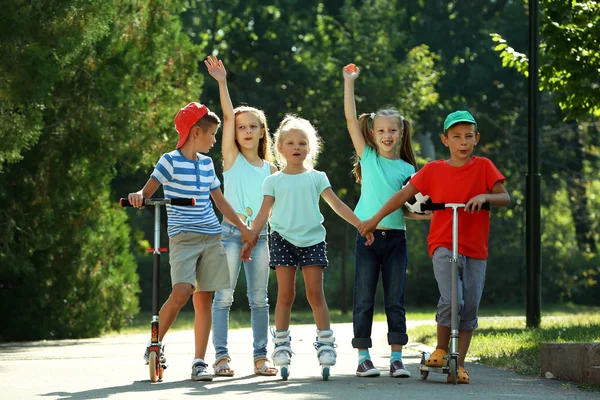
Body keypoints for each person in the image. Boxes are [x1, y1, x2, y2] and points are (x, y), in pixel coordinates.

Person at [358, 110, 510, 384]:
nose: (463, 142)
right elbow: (402, 196)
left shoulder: (484, 166)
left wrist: (484, 195)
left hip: (476, 247)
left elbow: (504, 197)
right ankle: (441, 349)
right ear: (445, 139)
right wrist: (374, 219)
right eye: (456, 137)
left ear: (476, 139)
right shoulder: (433, 170)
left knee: (470, 307)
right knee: (454, 299)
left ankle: (459, 363)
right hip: (443, 243)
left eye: (468, 137)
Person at [128, 102, 258, 381]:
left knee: (204, 298)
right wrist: (138, 196)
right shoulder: (169, 161)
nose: (214, 141)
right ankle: (155, 343)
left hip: (212, 235)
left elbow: (219, 200)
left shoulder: (208, 163)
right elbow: (147, 190)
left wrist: (243, 228)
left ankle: (199, 361)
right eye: (211, 135)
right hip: (184, 237)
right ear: (196, 131)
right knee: (181, 292)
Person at [240, 114, 375, 380]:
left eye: (302, 143)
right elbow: (263, 213)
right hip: (282, 240)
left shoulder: (317, 177)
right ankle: (281, 345)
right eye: (290, 143)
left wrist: (361, 224)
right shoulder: (273, 180)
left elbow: (337, 205)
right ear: (280, 148)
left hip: (312, 240)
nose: (297, 147)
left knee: (315, 294)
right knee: (285, 296)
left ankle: (325, 343)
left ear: (309, 148)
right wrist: (251, 238)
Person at [343, 63, 430, 378]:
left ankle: (396, 359)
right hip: (367, 239)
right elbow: (351, 119)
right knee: (364, 299)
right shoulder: (368, 157)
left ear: (402, 132)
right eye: (380, 130)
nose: (387, 135)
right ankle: (363, 357)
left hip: (396, 241)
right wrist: (349, 81)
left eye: (392, 130)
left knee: (395, 299)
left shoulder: (409, 170)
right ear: (372, 133)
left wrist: (426, 215)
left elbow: (408, 209)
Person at [204, 56, 278, 377]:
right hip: (229, 235)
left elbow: (267, 209)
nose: (246, 131)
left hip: (259, 237)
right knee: (223, 298)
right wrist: (222, 82)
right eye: (241, 126)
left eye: (253, 126)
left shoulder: (271, 169)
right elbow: (226, 116)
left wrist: (252, 235)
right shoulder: (230, 157)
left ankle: (261, 357)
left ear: (263, 132)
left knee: (259, 301)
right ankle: (221, 357)